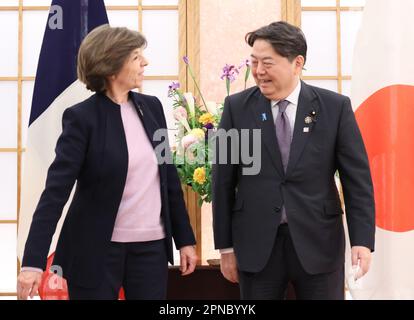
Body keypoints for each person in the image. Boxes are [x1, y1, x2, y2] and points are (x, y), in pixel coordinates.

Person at [17, 25, 197, 300]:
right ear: (113, 66)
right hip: (95, 252)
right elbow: (55, 193)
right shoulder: (81, 118)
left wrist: (185, 240)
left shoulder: (153, 108)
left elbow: (168, 179)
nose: (145, 63)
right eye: (137, 57)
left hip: (150, 250)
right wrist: (32, 262)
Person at [212, 21, 375, 300]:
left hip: (319, 243)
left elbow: (356, 180)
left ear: (297, 63)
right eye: (253, 63)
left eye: (267, 63)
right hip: (257, 246)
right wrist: (226, 248)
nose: (258, 72)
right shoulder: (237, 108)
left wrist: (362, 240)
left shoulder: (335, 108)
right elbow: (222, 181)